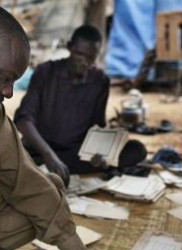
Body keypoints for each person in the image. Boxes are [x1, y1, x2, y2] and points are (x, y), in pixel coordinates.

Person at [0, 4, 148, 250]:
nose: (9, 93)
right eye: (5, 78)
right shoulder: (44, 76)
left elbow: (28, 183)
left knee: (48, 188)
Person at [14, 25, 147, 187]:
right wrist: (49, 155)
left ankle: (50, 170)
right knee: (7, 156)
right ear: (70, 47)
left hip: (75, 153)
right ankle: (49, 167)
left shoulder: (100, 82)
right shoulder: (45, 72)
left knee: (136, 150)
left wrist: (101, 155)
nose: (85, 62)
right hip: (40, 151)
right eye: (79, 54)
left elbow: (97, 127)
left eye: (91, 58)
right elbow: (22, 119)